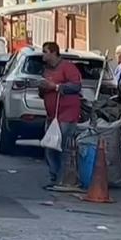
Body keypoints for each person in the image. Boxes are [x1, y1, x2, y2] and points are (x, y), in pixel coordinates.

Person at [37, 42, 82, 189]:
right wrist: (42, 88)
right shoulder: (47, 70)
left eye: (45, 52)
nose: (43, 55)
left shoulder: (67, 67)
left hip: (66, 114)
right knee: (50, 145)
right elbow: (43, 91)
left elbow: (76, 86)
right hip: (52, 115)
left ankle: (64, 179)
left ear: (53, 52)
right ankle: (54, 176)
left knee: (61, 145)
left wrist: (56, 87)